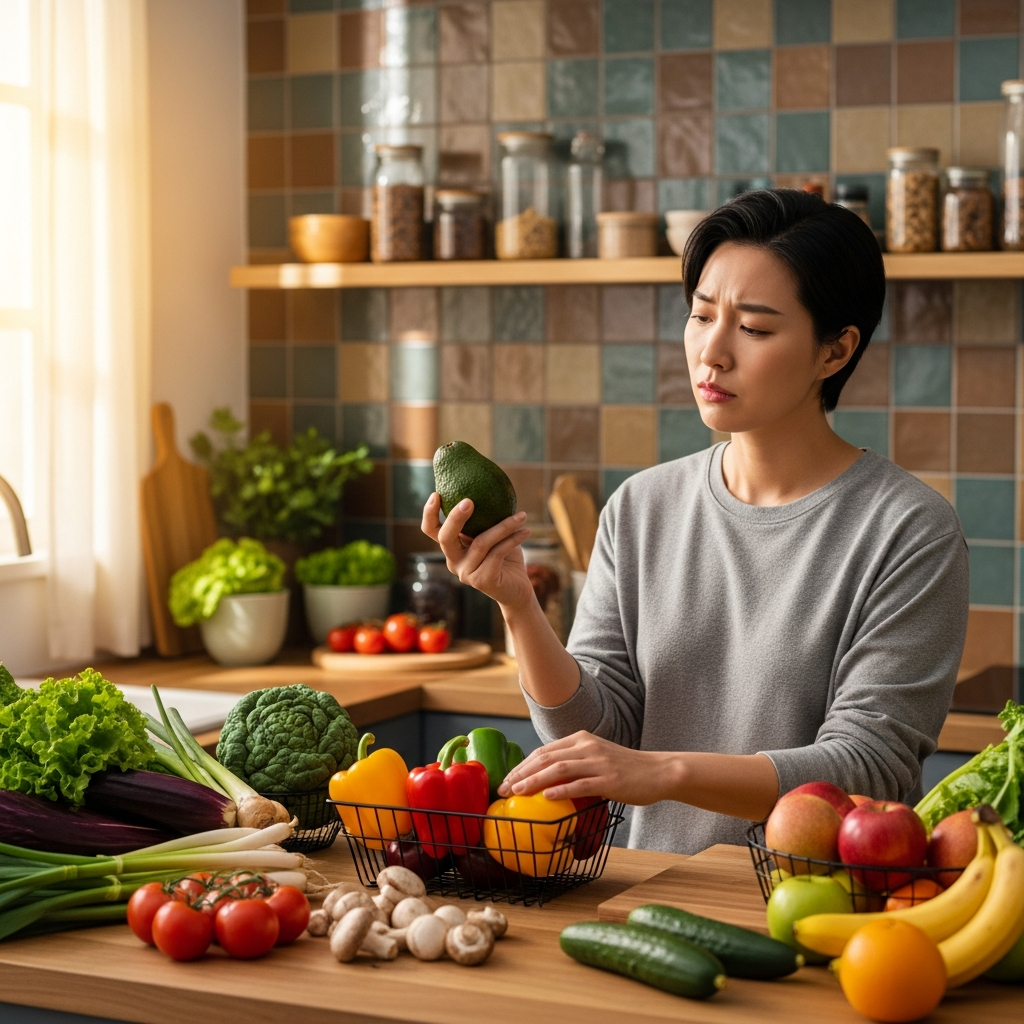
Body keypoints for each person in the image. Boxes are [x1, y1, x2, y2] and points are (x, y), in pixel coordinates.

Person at [421, 189, 969, 854]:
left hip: (816, 908)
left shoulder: (908, 530)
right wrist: (518, 607)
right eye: (701, 315)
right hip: (647, 897)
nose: (712, 352)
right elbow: (600, 732)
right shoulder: (642, 507)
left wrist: (664, 771)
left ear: (836, 351)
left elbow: (869, 764)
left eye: (755, 328)